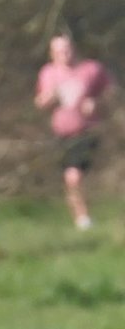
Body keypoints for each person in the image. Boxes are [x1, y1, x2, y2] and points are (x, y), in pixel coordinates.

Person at [34, 33, 114, 230]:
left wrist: (97, 103)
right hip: (61, 133)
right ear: (52, 54)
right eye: (59, 51)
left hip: (87, 130)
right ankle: (80, 216)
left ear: (74, 48)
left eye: (67, 49)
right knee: (70, 178)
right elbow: (40, 103)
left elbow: (113, 93)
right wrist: (49, 98)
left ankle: (83, 219)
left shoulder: (91, 69)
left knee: (74, 176)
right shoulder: (48, 73)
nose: (65, 54)